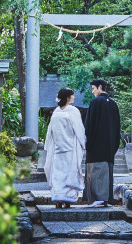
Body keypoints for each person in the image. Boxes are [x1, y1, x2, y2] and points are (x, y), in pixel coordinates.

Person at [44, 88, 86, 209]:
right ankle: (67, 201)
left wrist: (48, 145)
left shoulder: (56, 111)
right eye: (72, 95)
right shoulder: (73, 111)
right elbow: (79, 129)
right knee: (70, 173)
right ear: (68, 98)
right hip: (71, 147)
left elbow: (50, 131)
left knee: (58, 174)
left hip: (58, 147)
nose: (74, 97)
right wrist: (83, 143)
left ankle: (57, 200)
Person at [84, 78, 120, 207]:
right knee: (107, 171)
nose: (92, 91)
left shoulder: (96, 102)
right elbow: (117, 127)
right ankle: (105, 198)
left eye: (93, 88)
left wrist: (88, 143)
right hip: (109, 146)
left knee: (96, 171)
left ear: (100, 87)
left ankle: (98, 198)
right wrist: (115, 145)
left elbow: (89, 125)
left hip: (96, 145)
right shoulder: (113, 103)